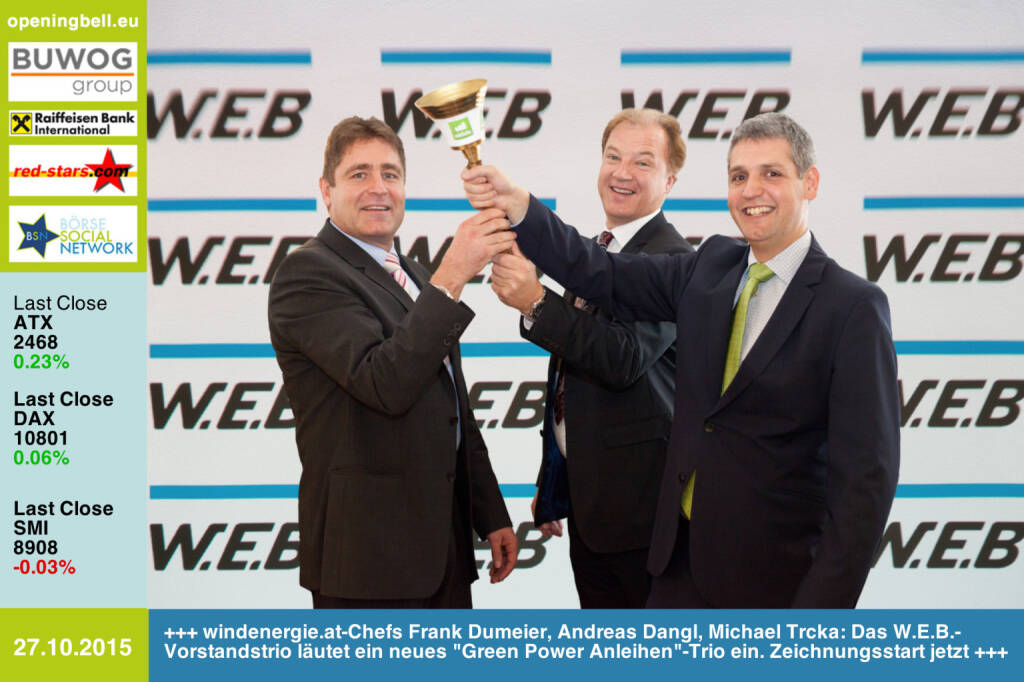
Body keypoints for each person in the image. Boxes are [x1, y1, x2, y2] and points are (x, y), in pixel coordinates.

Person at [464, 112, 900, 608]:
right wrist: (519, 204)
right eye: (739, 176)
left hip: (776, 580)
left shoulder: (853, 306)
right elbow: (600, 271)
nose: (752, 190)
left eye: (772, 173)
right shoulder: (710, 266)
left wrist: (820, 617)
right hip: (676, 571)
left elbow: (865, 483)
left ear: (810, 182)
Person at [268, 115, 517, 608]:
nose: (378, 188)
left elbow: (452, 407)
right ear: (326, 190)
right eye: (359, 174)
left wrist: (489, 513)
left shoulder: (415, 275)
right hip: (368, 564)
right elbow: (384, 382)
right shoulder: (308, 273)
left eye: (390, 174)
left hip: (443, 553)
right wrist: (454, 273)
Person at [488, 109, 692, 607]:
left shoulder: (673, 260)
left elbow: (620, 359)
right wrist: (557, 480)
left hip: (644, 519)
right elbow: (574, 372)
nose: (622, 173)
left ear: (670, 180)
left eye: (642, 162)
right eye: (613, 157)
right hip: (592, 508)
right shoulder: (597, 253)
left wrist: (537, 302)